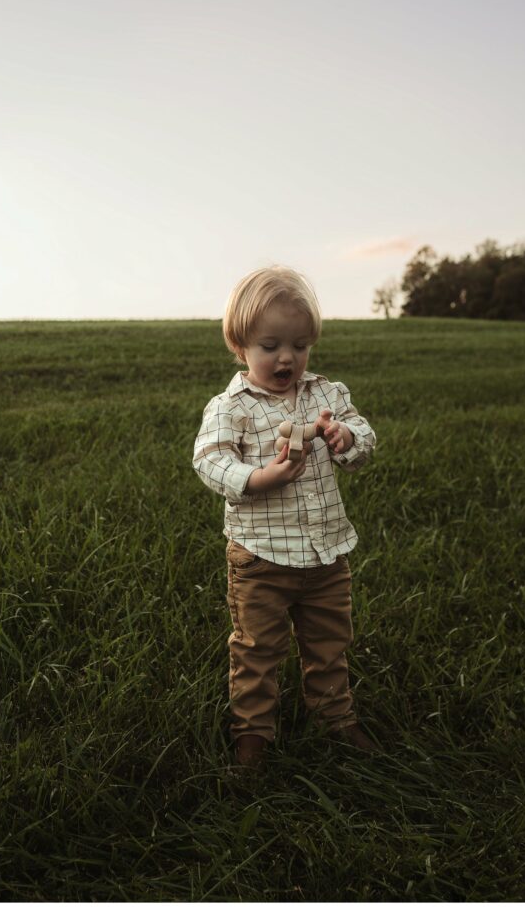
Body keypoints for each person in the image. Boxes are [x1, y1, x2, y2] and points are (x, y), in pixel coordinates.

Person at [192, 265, 379, 770]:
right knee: (257, 649)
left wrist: (345, 438)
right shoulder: (233, 407)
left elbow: (363, 441)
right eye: (271, 345)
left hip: (325, 553)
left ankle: (336, 717)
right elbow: (210, 459)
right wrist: (261, 478)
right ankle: (252, 733)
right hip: (261, 557)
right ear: (241, 347)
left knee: (329, 642)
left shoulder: (327, 396)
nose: (286, 358)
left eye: (299, 345)